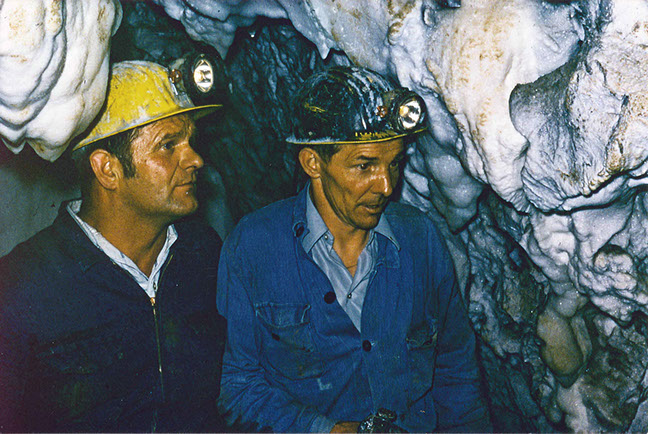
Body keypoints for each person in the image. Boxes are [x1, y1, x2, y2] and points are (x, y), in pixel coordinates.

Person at [216, 65, 492, 432]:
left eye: (395, 163)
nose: (386, 186)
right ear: (313, 163)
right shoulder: (254, 248)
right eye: (365, 166)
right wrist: (322, 430)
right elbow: (237, 386)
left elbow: (456, 373)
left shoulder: (420, 240)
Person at [0, 58, 226, 432]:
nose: (196, 160)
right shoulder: (23, 287)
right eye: (168, 145)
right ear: (108, 169)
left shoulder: (203, 253)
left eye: (190, 141)